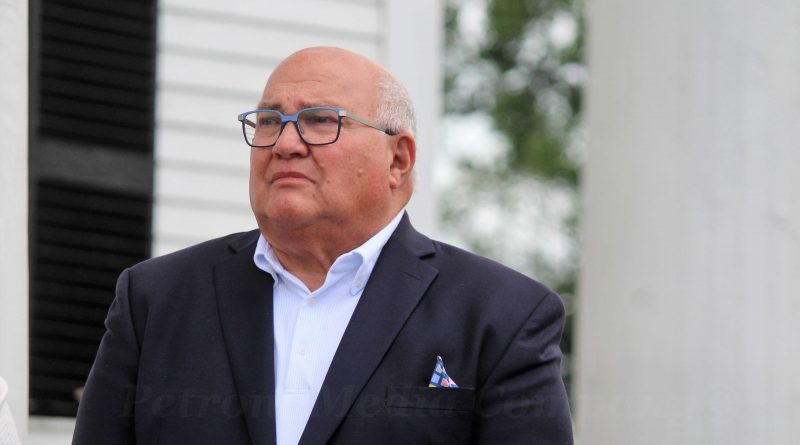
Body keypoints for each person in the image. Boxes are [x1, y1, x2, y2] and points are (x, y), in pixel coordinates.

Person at [72, 47, 572, 444]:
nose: (285, 144)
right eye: (269, 121)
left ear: (398, 160)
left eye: (320, 120)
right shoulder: (155, 299)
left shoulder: (501, 317)